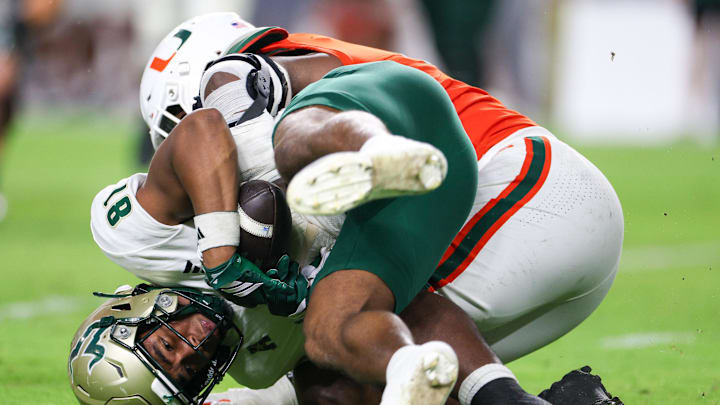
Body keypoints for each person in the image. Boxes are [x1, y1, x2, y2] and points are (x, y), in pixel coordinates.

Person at [79, 13, 624, 405]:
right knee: (339, 356)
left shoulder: (243, 75)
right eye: (191, 370)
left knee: (290, 142)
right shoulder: (254, 356)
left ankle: (375, 151)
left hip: (506, 179)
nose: (193, 345)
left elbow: (213, 120)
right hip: (516, 231)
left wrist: (223, 254)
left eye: (170, 344)